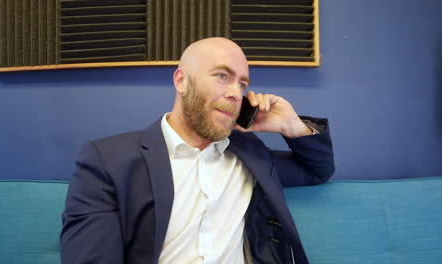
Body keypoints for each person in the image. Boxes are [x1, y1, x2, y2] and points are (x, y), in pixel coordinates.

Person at [60, 37, 334, 264]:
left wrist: (292, 127)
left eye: (242, 84)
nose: (236, 94)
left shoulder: (251, 155)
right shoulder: (107, 160)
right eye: (222, 76)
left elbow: (317, 170)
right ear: (181, 81)